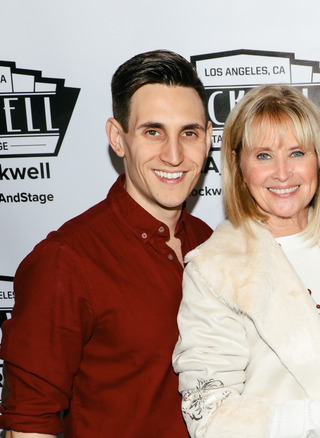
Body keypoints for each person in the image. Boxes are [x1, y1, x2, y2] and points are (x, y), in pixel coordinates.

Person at [171, 84, 320, 438]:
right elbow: (211, 421)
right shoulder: (214, 269)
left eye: (297, 153)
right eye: (264, 156)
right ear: (239, 166)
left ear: (319, 159)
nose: (283, 173)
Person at [0, 50, 213, 437]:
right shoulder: (66, 260)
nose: (174, 154)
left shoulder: (211, 242)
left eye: (189, 132)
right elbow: (30, 423)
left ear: (208, 138)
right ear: (118, 138)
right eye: (153, 131)